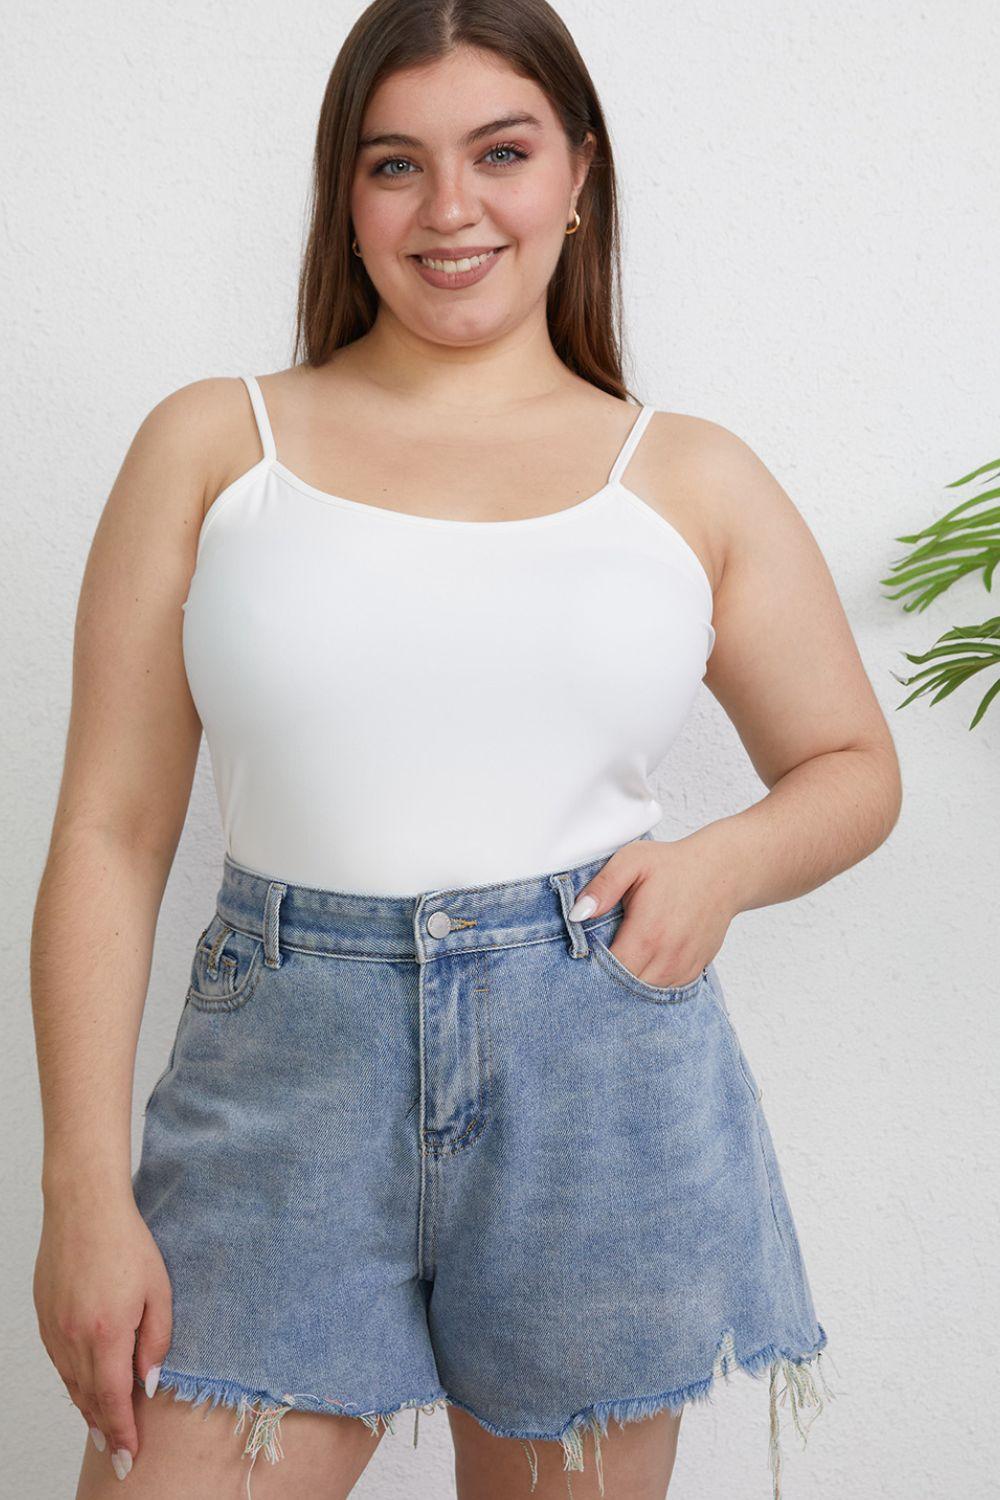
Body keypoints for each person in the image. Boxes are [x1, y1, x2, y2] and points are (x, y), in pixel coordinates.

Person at [30, 3, 902, 1498]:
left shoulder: (687, 476)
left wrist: (718, 869)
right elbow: (111, 834)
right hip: (277, 1086)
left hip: (598, 1073)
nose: (450, 211)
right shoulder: (214, 447)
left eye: (500, 153)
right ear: (344, 194)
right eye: (394, 165)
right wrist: (82, 1193)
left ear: (579, 173)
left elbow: (850, 766)